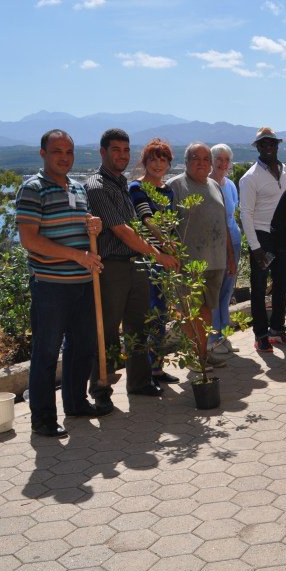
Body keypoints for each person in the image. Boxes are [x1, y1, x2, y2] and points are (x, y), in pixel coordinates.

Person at [15, 130, 109, 438]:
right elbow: (30, 239)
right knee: (45, 352)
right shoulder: (33, 188)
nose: (64, 157)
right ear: (43, 153)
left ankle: (75, 402)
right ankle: (42, 417)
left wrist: (93, 225)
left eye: (69, 151)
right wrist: (77, 256)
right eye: (57, 151)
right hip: (51, 286)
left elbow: (82, 227)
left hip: (82, 284)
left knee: (81, 347)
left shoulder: (77, 188)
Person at [86, 129, 179, 398]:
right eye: (115, 150)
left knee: (138, 325)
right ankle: (100, 386)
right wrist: (157, 254)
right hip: (113, 265)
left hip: (135, 263)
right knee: (107, 329)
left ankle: (139, 382)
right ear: (103, 152)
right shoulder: (98, 186)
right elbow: (122, 230)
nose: (121, 155)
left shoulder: (122, 184)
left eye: (125, 150)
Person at [165, 143, 237, 371]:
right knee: (189, 312)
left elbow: (224, 223)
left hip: (215, 262)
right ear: (186, 161)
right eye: (196, 158)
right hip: (188, 265)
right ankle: (195, 358)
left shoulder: (215, 185)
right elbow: (165, 227)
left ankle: (203, 353)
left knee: (207, 311)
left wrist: (230, 256)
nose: (202, 162)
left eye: (206, 159)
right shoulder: (175, 186)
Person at [239, 127, 286, 353]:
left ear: (277, 145)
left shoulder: (283, 172)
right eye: (264, 144)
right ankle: (260, 334)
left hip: (281, 236)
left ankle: (277, 328)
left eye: (272, 143)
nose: (268, 147)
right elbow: (246, 214)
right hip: (262, 236)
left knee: (283, 284)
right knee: (259, 288)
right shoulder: (250, 178)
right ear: (258, 147)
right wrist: (256, 247)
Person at [127, 138, 179, 385]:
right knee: (146, 314)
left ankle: (156, 368)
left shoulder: (168, 190)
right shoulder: (137, 187)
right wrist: (165, 244)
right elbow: (146, 218)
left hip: (167, 260)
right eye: (153, 159)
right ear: (144, 162)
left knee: (161, 315)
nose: (158, 164)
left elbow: (172, 221)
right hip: (147, 260)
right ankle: (142, 372)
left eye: (163, 160)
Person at [208, 143, 243, 356]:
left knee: (227, 290)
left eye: (226, 160)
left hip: (234, 241)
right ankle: (213, 338)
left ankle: (223, 335)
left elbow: (233, 211)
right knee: (214, 290)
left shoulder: (230, 185)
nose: (222, 163)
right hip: (215, 244)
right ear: (212, 161)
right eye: (218, 159)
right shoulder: (206, 184)